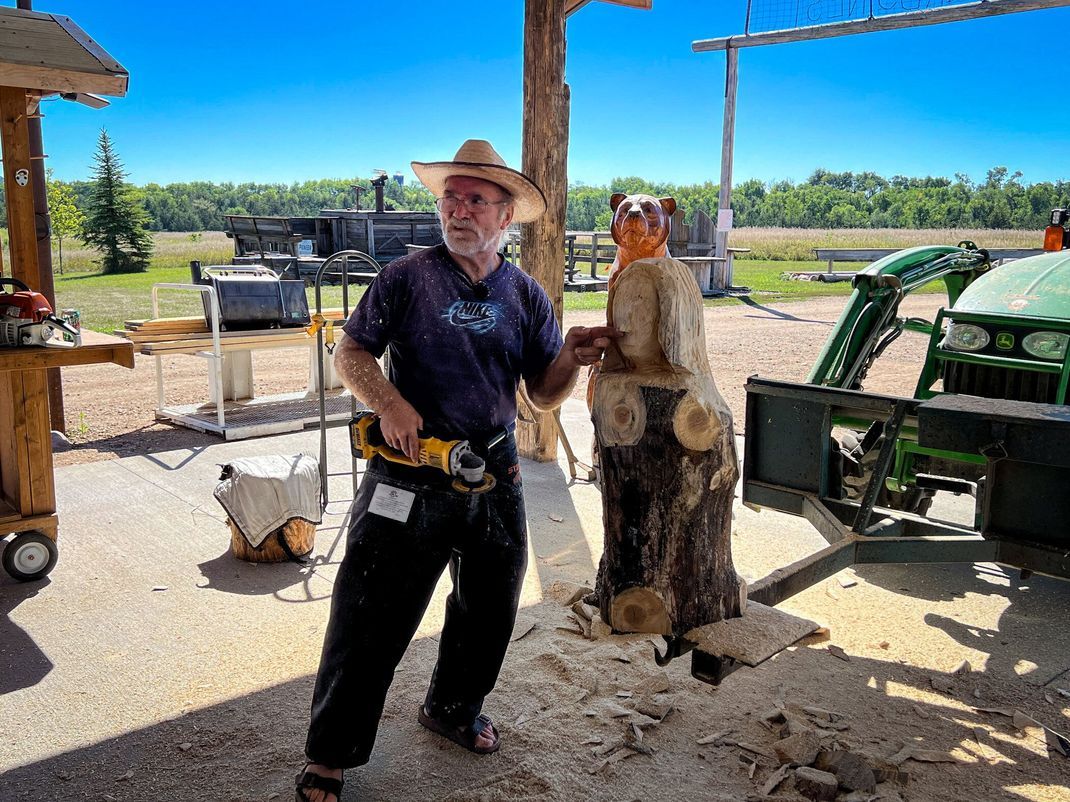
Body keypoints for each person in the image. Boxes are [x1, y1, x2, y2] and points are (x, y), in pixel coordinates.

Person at [295, 139, 620, 802]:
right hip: (409, 471)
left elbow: (542, 392)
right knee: (371, 613)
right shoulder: (406, 278)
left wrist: (574, 360)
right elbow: (352, 352)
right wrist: (388, 401)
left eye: (477, 199)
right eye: (452, 196)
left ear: (506, 217)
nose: (460, 209)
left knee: (490, 607)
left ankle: (451, 708)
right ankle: (329, 756)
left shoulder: (525, 295)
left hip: (493, 471)